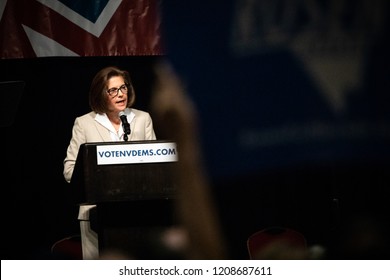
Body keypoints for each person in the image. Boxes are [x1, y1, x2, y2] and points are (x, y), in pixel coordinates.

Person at [63, 66, 156, 183]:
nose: (121, 94)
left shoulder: (143, 119)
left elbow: (155, 165)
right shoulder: (84, 124)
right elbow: (69, 171)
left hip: (137, 195)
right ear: (101, 94)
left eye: (123, 88)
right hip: (99, 198)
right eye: (113, 90)